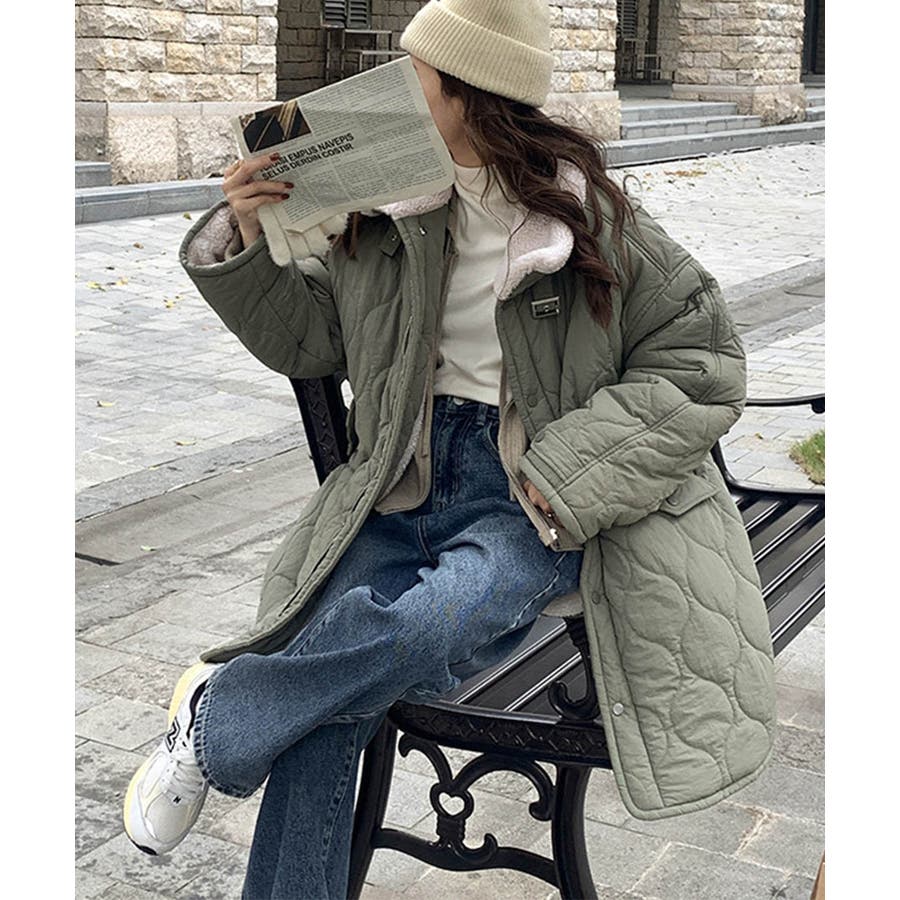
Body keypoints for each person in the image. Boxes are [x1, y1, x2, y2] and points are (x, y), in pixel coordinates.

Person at [122, 1, 776, 897]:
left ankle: (219, 717)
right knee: (328, 703)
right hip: (399, 479)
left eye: (416, 75)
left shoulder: (588, 220)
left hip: (525, 492)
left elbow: (703, 362)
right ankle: (240, 722)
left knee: (434, 620)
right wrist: (242, 235)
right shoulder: (382, 210)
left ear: (472, 93)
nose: (391, 89)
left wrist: (572, 471)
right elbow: (312, 343)